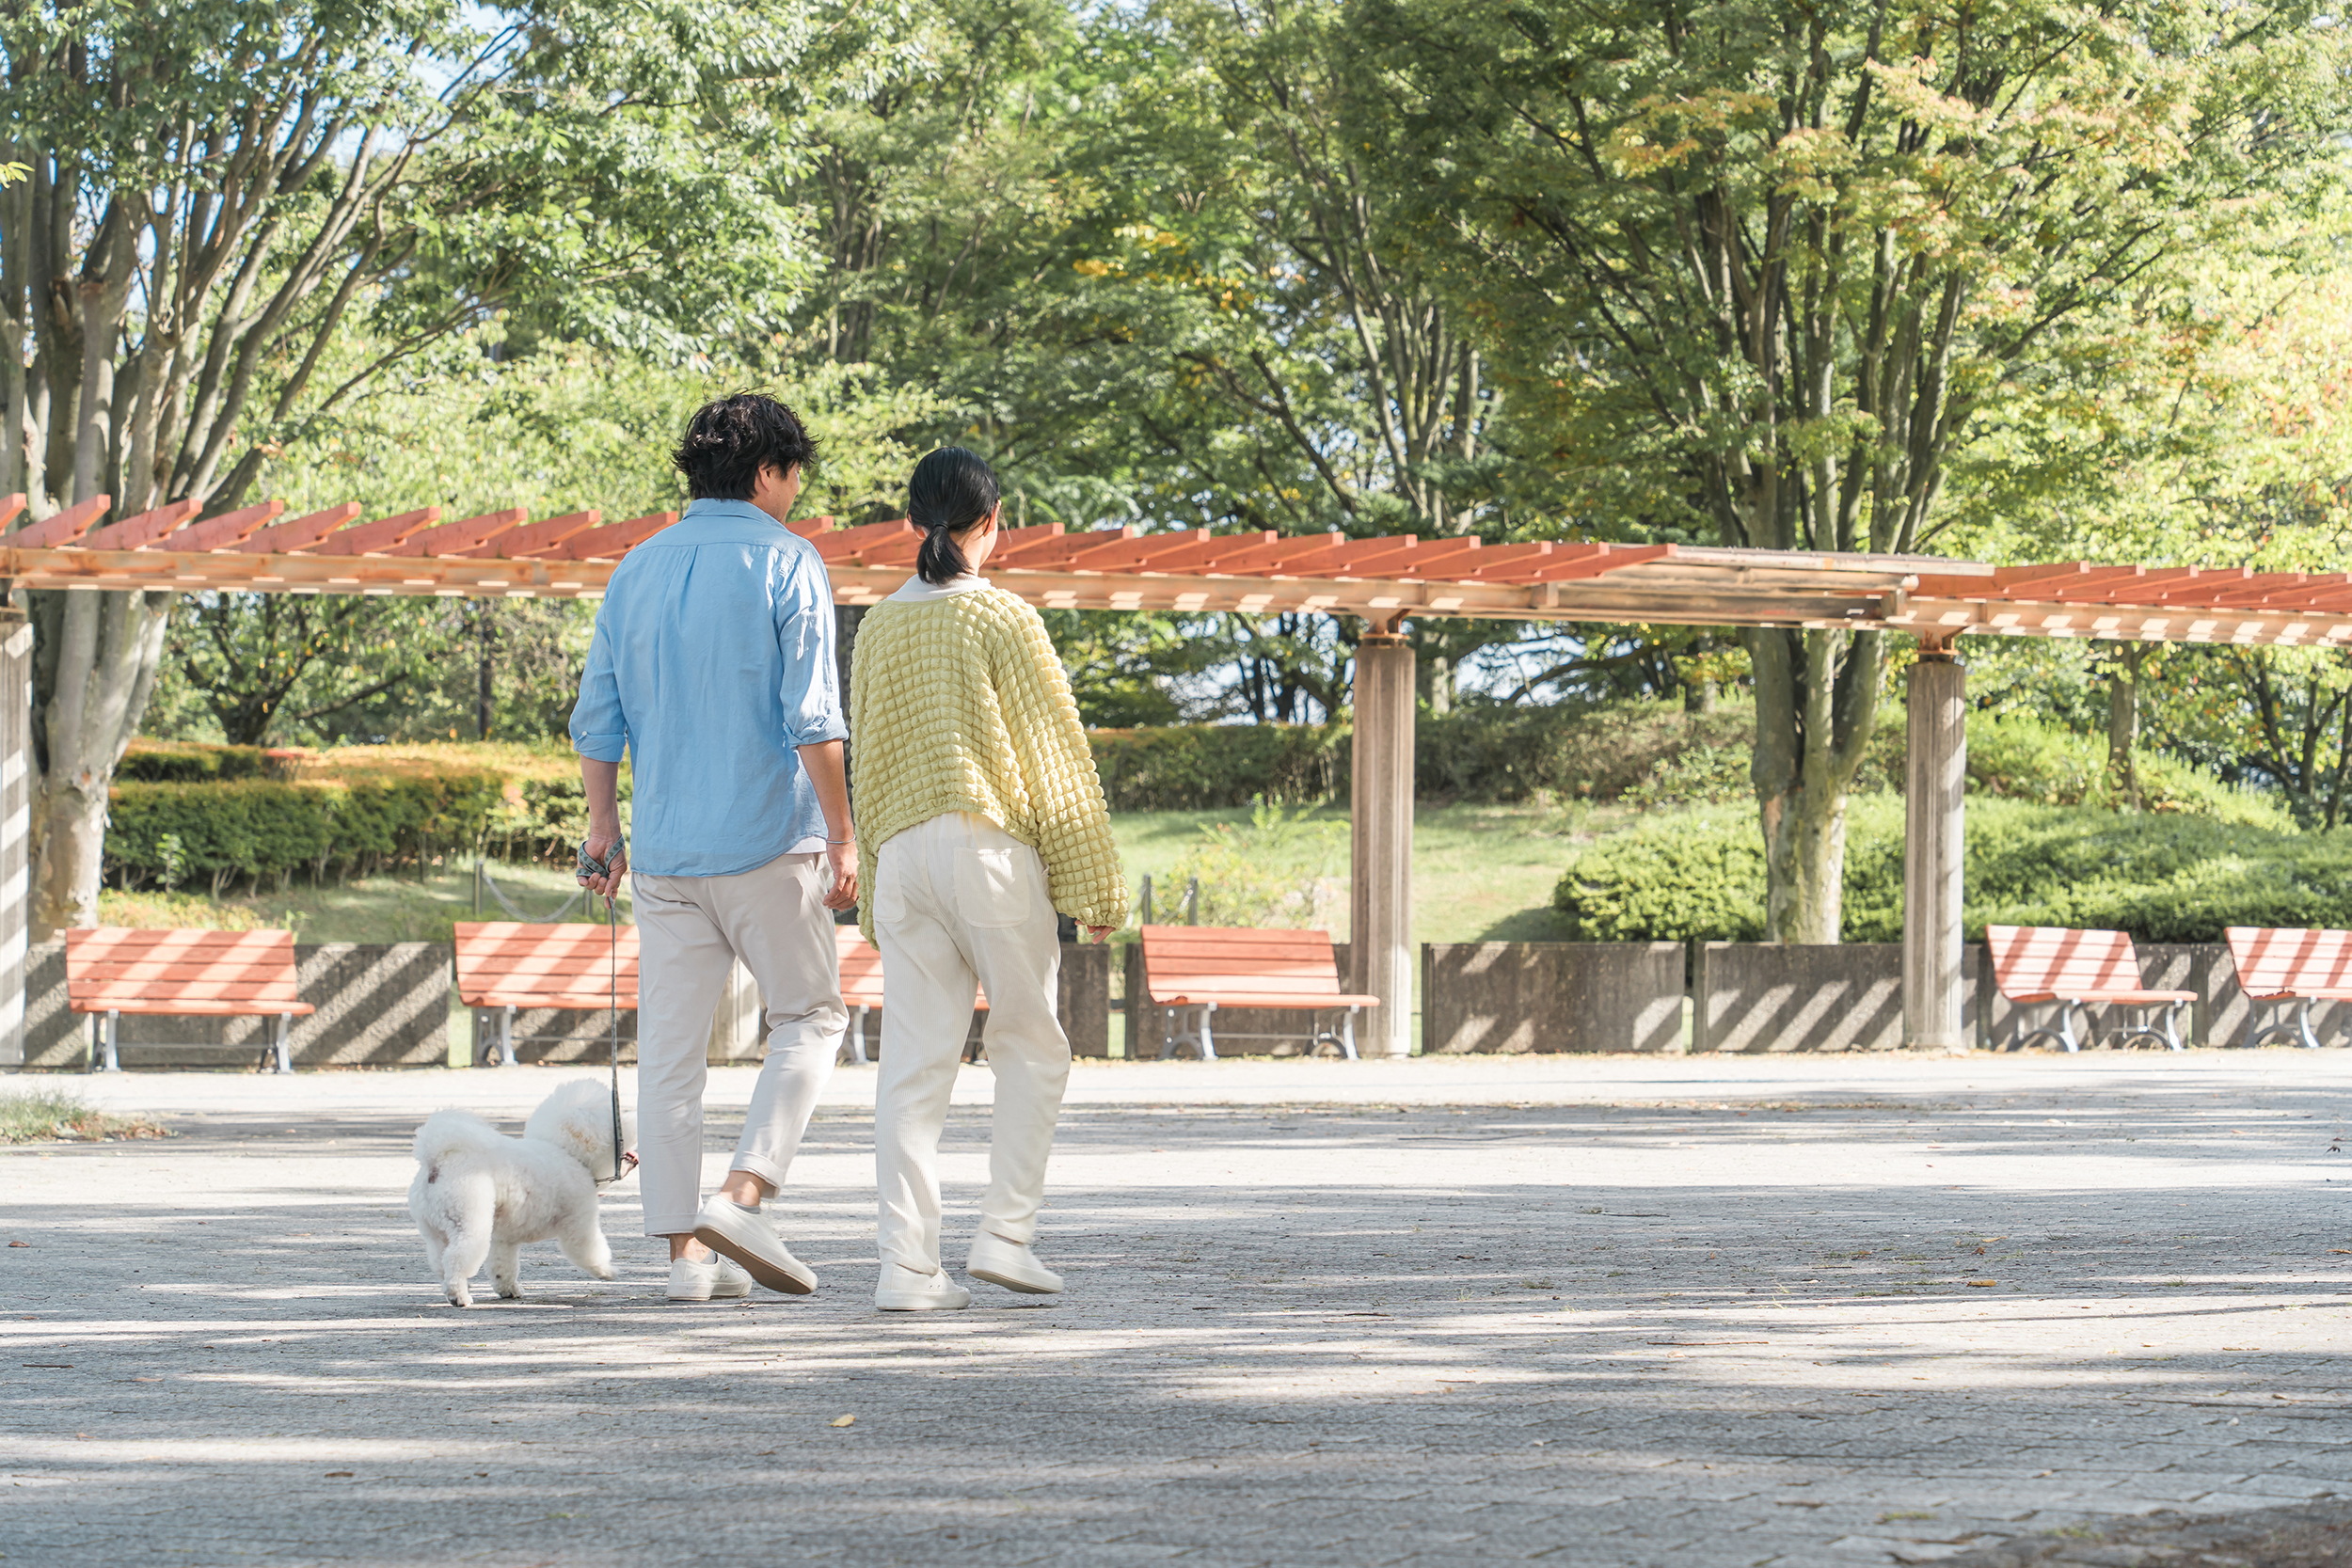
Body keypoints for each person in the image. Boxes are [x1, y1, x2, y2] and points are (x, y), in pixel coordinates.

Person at [570, 391, 856, 1305]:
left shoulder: (635, 568)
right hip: (772, 840)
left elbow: (598, 717)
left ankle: (683, 1260)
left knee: (671, 1052)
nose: (798, 491)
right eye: (795, 472)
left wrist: (604, 829)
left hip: (664, 853)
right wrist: (844, 832)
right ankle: (743, 1194)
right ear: (769, 469)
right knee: (810, 1018)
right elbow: (813, 714)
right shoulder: (789, 560)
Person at [849, 447, 1126, 1311]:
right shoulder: (1004, 618)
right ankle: (1005, 1235)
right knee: (1032, 1048)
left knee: (912, 1070)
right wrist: (1097, 886)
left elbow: (870, 757)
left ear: (909, 523)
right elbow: (1055, 760)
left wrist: (871, 885)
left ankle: (907, 1269)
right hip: (988, 851)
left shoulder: (876, 624)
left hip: (900, 857)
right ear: (992, 524)